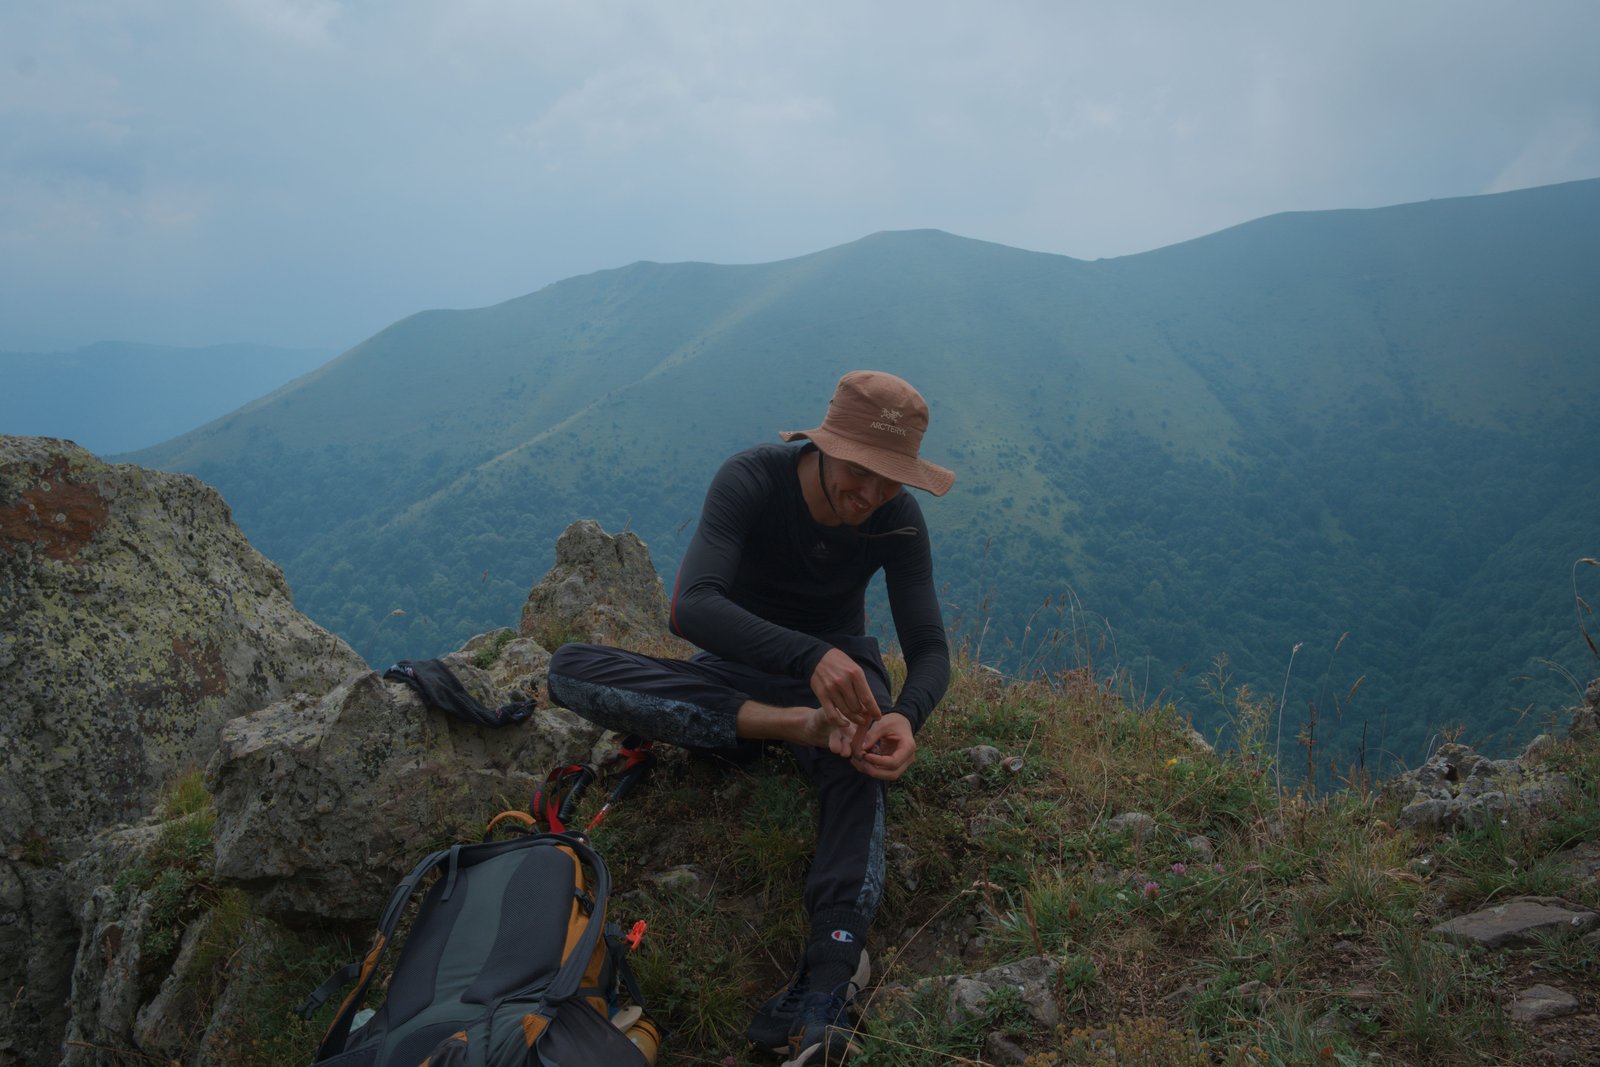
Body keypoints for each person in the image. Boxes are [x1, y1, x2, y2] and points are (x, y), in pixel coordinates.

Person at [546, 369, 954, 1065]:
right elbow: (693, 607)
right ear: (823, 446)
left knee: (860, 749)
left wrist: (907, 717)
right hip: (737, 668)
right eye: (859, 469)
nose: (871, 493)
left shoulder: (896, 518)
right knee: (569, 667)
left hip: (834, 678)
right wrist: (809, 656)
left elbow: (930, 649)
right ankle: (785, 726)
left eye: (891, 478)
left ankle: (828, 990)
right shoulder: (753, 479)